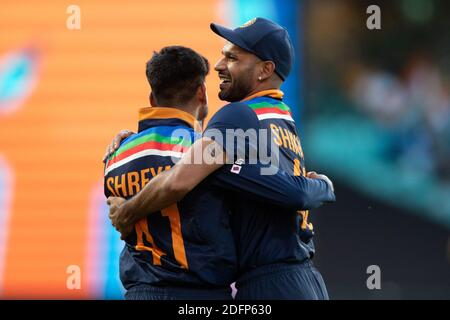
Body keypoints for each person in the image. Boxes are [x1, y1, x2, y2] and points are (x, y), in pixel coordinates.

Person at [104, 45, 335, 300]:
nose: (221, 65)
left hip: (138, 293)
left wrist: (125, 211)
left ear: (151, 98)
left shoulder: (116, 155)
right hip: (204, 294)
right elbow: (287, 191)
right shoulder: (211, 152)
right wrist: (321, 186)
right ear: (202, 92)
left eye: (232, 57)